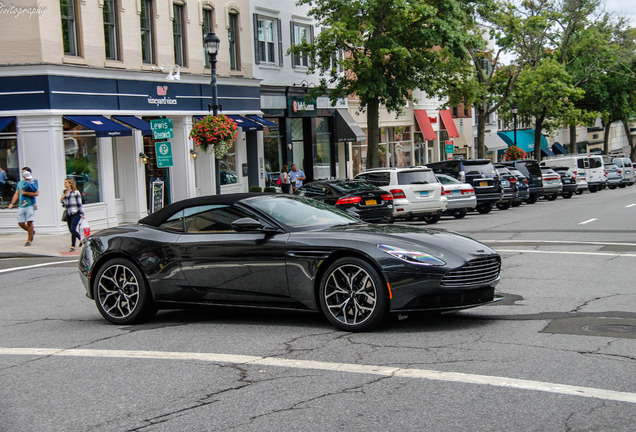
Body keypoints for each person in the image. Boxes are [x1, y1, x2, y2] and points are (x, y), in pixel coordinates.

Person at [8, 167, 39, 246]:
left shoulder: (33, 181)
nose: (22, 174)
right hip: (21, 205)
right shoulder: (20, 183)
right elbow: (17, 193)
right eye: (22, 172)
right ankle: (31, 232)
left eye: (24, 172)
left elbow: (36, 193)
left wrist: (26, 193)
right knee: (21, 223)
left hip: (30, 205)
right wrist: (12, 203)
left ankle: (29, 240)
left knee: (29, 222)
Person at [61, 177, 85, 252]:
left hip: (76, 213)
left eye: (66, 182)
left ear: (70, 184)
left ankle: (73, 246)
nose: (64, 184)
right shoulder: (64, 192)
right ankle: (81, 240)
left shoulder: (76, 192)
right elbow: (65, 205)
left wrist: (82, 213)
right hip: (69, 213)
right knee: (71, 230)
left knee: (73, 228)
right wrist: (62, 200)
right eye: (64, 182)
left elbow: (79, 203)